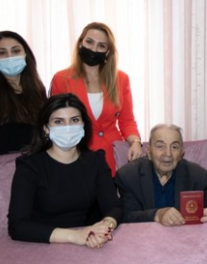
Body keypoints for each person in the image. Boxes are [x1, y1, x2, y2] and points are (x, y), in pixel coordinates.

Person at [7, 93, 122, 248]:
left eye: (74, 120)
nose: (68, 127)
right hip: (40, 246)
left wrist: (105, 227)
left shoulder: (95, 161)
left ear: (83, 125)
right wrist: (74, 236)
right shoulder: (29, 167)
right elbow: (17, 226)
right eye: (59, 122)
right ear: (46, 129)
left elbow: (114, 207)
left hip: (84, 244)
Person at [50, 22, 142, 176]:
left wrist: (136, 142)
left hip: (112, 155)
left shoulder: (121, 79)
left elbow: (127, 121)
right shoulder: (61, 78)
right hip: (76, 153)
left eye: (101, 46)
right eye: (89, 42)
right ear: (81, 43)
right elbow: (56, 122)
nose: (93, 49)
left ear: (108, 51)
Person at [115, 124, 207, 225]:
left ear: (181, 153)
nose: (168, 153)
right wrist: (157, 214)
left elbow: (198, 221)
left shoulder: (198, 177)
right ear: (149, 152)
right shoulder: (129, 176)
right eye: (160, 146)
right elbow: (128, 216)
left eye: (174, 147)